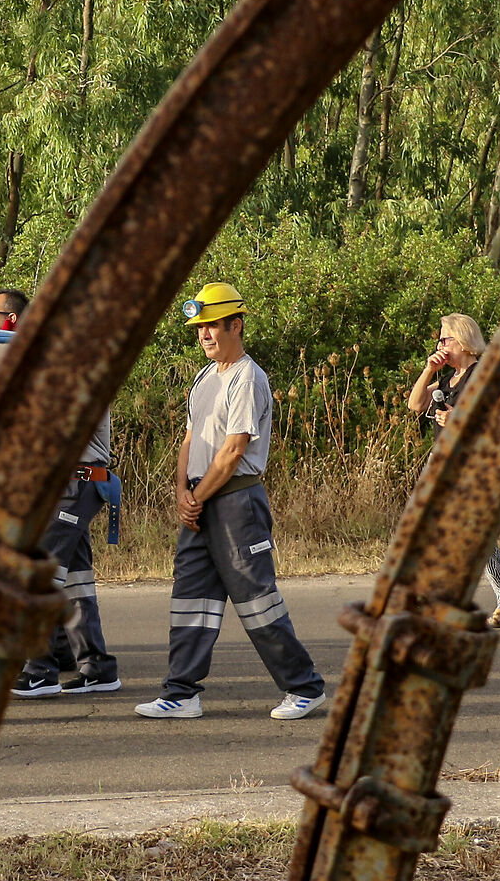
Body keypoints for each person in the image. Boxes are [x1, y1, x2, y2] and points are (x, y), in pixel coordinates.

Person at [135, 283, 324, 722]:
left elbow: (234, 449)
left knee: (258, 600)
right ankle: (181, 693)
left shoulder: (247, 376)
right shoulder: (205, 378)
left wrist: (195, 498)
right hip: (201, 500)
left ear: (236, 325)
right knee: (191, 599)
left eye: (212, 326)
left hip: (235, 502)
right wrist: (182, 491)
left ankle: (305, 687)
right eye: (199, 328)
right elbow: (189, 439)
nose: (203, 335)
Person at [0, 288, 119, 700]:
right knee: (76, 580)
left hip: (75, 483)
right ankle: (96, 667)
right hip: (67, 486)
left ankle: (39, 669)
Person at [405, 315, 500, 629]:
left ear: (464, 341)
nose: (440, 346)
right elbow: (415, 405)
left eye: (446, 340)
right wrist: (430, 369)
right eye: (440, 341)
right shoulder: (448, 379)